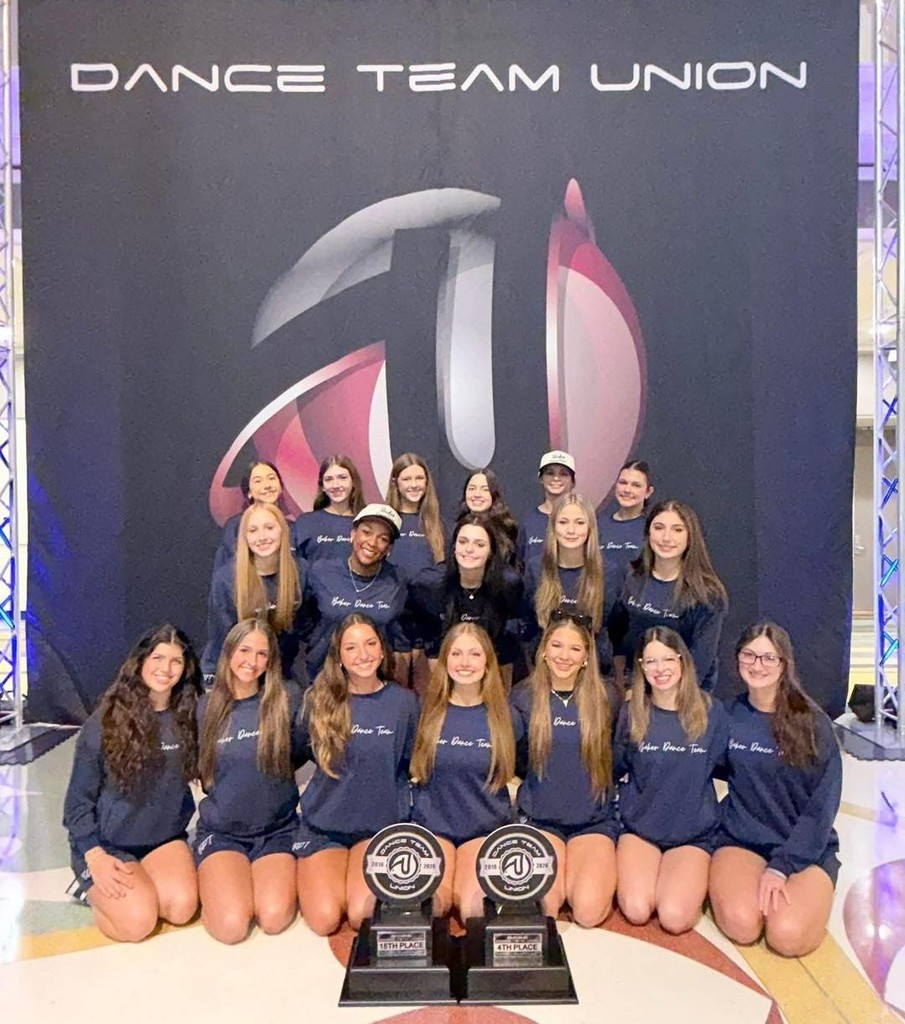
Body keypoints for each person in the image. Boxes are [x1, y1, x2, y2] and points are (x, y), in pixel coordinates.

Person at [709, 622, 842, 958]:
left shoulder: (812, 723)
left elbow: (821, 808)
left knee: (787, 936)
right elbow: (700, 766)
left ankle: (810, 895)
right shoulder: (728, 715)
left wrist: (783, 865)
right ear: (737, 659)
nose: (758, 665)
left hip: (802, 848)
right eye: (749, 655)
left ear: (785, 663)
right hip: (742, 839)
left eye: (769, 657)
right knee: (742, 925)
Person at [63, 625, 202, 942]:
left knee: (181, 909)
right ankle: (88, 888)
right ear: (140, 660)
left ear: (185, 668)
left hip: (163, 840)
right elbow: (76, 803)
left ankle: (143, 882)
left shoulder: (189, 716)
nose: (165, 669)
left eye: (176, 661)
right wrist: (93, 855)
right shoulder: (105, 721)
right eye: (157, 657)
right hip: (108, 845)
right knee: (139, 924)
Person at [295, 615, 419, 934]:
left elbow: (407, 763)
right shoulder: (317, 701)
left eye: (370, 644)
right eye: (351, 647)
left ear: (382, 651)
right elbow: (300, 755)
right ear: (339, 657)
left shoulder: (404, 703)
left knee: (362, 916)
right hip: (326, 826)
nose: (362, 654)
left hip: (378, 826)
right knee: (325, 919)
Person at [194, 618, 305, 944]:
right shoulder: (206, 707)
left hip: (277, 830)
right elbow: (203, 771)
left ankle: (248, 878)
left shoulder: (287, 699)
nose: (252, 661)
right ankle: (215, 884)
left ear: (270, 660)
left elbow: (297, 753)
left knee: (273, 917)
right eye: (244, 650)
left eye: (261, 653)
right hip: (224, 832)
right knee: (232, 927)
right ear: (228, 652)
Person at [612, 627, 729, 934]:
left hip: (692, 833)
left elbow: (728, 767)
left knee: (674, 917)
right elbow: (616, 765)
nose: (660, 669)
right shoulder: (632, 712)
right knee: (637, 909)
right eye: (650, 662)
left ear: (683, 661)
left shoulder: (711, 712)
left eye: (667, 659)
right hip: (640, 829)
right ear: (641, 667)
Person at [511, 614, 618, 926]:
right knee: (545, 908)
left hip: (592, 822)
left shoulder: (606, 696)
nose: (564, 655)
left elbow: (619, 755)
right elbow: (515, 758)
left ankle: (587, 868)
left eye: (575, 648)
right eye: (556, 645)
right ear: (544, 649)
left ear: (587, 655)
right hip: (540, 820)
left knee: (586, 912)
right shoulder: (523, 696)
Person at [410, 623, 522, 920]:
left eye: (474, 654)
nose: (464, 662)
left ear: (487, 663)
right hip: (434, 828)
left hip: (483, 829)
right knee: (432, 906)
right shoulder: (425, 710)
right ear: (444, 660)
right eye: (456, 653)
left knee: (473, 911)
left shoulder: (505, 716)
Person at [613, 499, 727, 692]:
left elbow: (700, 664)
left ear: (691, 536)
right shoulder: (630, 579)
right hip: (634, 691)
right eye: (659, 527)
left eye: (677, 530)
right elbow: (617, 639)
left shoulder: (707, 595)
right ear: (648, 532)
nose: (666, 537)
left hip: (684, 696)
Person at [409, 515, 523, 683]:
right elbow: (430, 646)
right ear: (453, 546)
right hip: (444, 671)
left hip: (493, 673)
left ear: (491, 551)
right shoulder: (430, 585)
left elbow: (507, 650)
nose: (469, 549)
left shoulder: (509, 585)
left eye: (479, 544)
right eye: (463, 542)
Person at [304, 503, 409, 679]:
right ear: (353, 534)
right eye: (366, 532)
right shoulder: (321, 572)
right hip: (324, 676)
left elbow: (398, 631)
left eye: (383, 538)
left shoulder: (396, 580)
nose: (372, 542)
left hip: (374, 678)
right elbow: (303, 620)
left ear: (389, 549)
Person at [203, 503, 305, 679]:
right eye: (253, 530)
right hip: (239, 674)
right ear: (244, 537)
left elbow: (307, 627)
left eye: (269, 528)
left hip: (282, 674)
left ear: (283, 531)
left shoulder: (301, 572)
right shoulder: (226, 579)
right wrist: (212, 679)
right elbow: (220, 638)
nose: (262, 537)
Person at [523, 493, 612, 673]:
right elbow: (529, 623)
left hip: (595, 669)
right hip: (546, 669)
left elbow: (614, 625)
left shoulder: (609, 572)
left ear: (590, 528)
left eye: (579, 523)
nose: (571, 530)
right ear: (553, 527)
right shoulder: (535, 568)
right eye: (563, 522)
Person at [385, 453, 445, 690]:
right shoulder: (387, 521)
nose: (414, 485)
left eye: (419, 478)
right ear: (395, 483)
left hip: (428, 625)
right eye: (407, 478)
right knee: (397, 687)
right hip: (394, 621)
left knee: (426, 694)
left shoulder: (438, 523)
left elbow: (443, 573)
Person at [212, 460, 292, 575]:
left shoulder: (292, 527)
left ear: (280, 486)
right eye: (258, 481)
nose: (267, 485)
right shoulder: (236, 526)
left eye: (271, 478)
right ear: (249, 491)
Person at [293, 455, 367, 564]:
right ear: (322, 486)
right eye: (329, 479)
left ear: (353, 482)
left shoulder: (368, 521)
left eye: (342, 478)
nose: (336, 485)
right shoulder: (305, 522)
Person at [516, 450, 576, 569]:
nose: (556, 478)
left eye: (563, 474)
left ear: (573, 481)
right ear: (541, 479)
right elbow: (520, 564)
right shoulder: (529, 522)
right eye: (550, 473)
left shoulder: (584, 520)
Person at [455, 468, 519, 565]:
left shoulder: (507, 529)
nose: (477, 494)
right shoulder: (456, 529)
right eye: (472, 488)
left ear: (494, 494)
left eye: (485, 489)